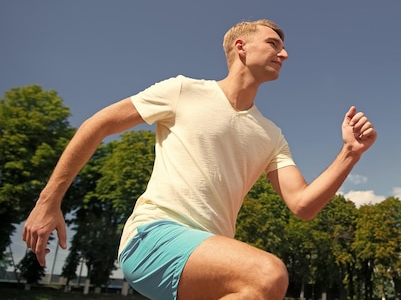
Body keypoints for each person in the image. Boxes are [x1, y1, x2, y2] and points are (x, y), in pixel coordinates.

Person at [22, 19, 377, 300]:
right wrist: (47, 202)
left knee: (258, 286)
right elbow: (97, 125)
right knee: (266, 274)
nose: (284, 55)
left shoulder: (271, 134)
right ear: (241, 47)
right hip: (152, 237)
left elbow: (303, 205)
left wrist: (349, 153)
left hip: (208, 261)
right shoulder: (183, 91)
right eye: (274, 44)